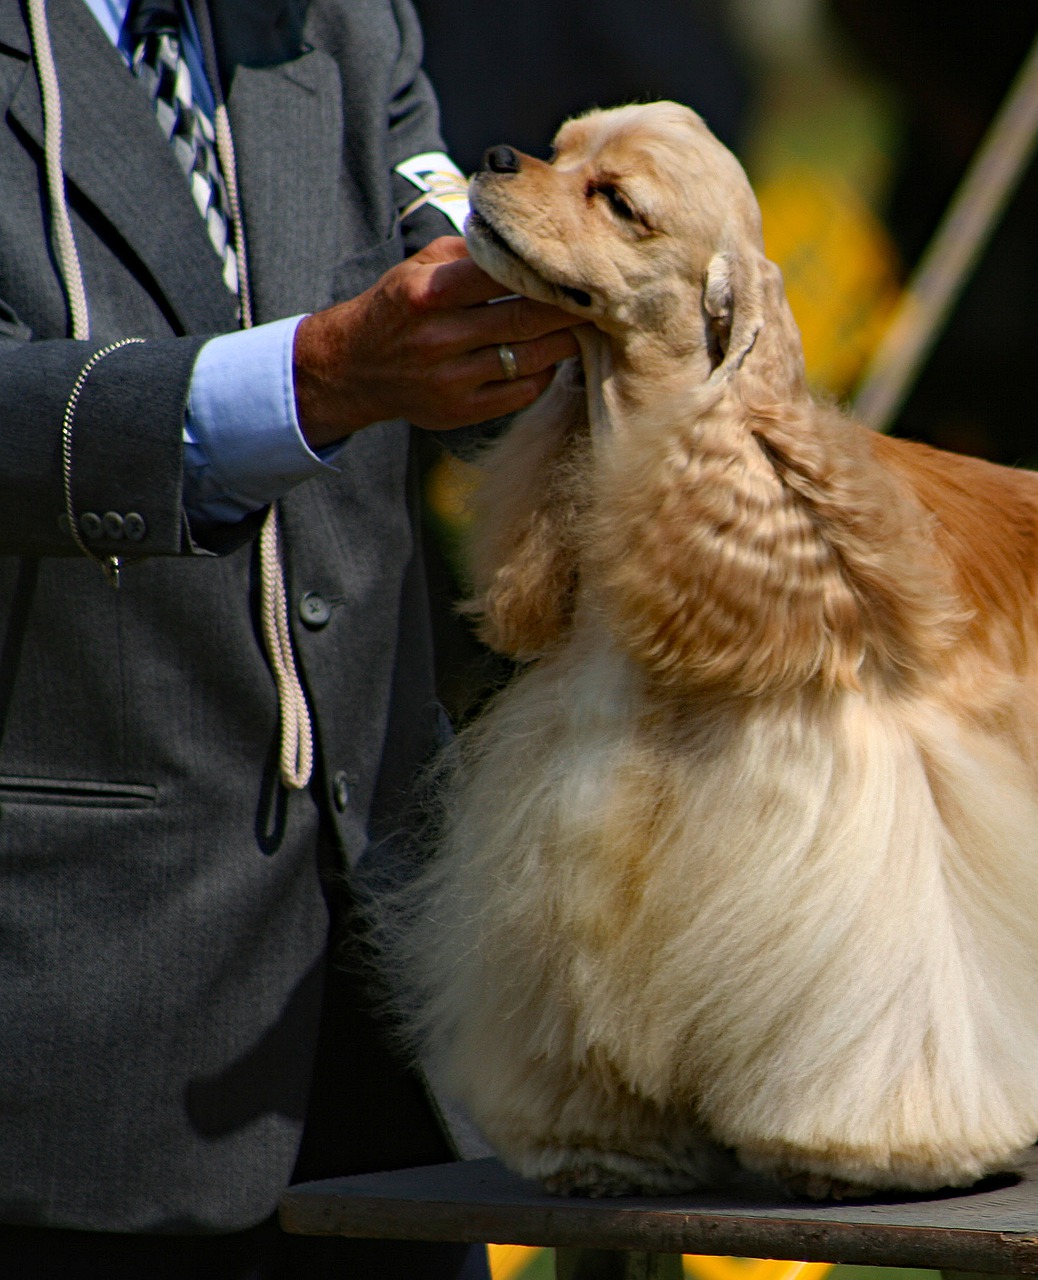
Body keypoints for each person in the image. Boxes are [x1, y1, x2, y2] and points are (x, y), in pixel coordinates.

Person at [0, 0, 579, 1274]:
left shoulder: (344, 23)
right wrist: (315, 378)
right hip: (77, 1037)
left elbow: (455, 260)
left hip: (389, 1023)